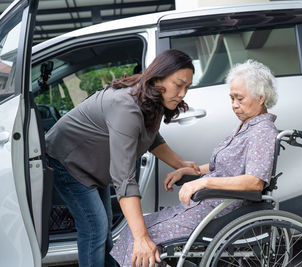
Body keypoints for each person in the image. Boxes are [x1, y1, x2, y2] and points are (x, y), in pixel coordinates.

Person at [110, 59, 279, 267]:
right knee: (136, 230)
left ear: (260, 98)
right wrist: (188, 171)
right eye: (232, 98)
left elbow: (254, 182)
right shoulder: (248, 126)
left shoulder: (262, 132)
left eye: (240, 98)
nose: (234, 105)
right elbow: (224, 167)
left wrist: (202, 183)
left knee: (142, 235)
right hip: (208, 205)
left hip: (221, 209)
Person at [45, 49, 200, 267]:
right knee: (94, 228)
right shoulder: (126, 106)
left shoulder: (150, 98)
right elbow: (124, 178)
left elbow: (151, 137)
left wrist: (180, 164)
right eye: (179, 84)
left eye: (187, 87)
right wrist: (141, 238)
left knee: (104, 226)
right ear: (157, 77)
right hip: (67, 160)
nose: (183, 93)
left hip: (91, 163)